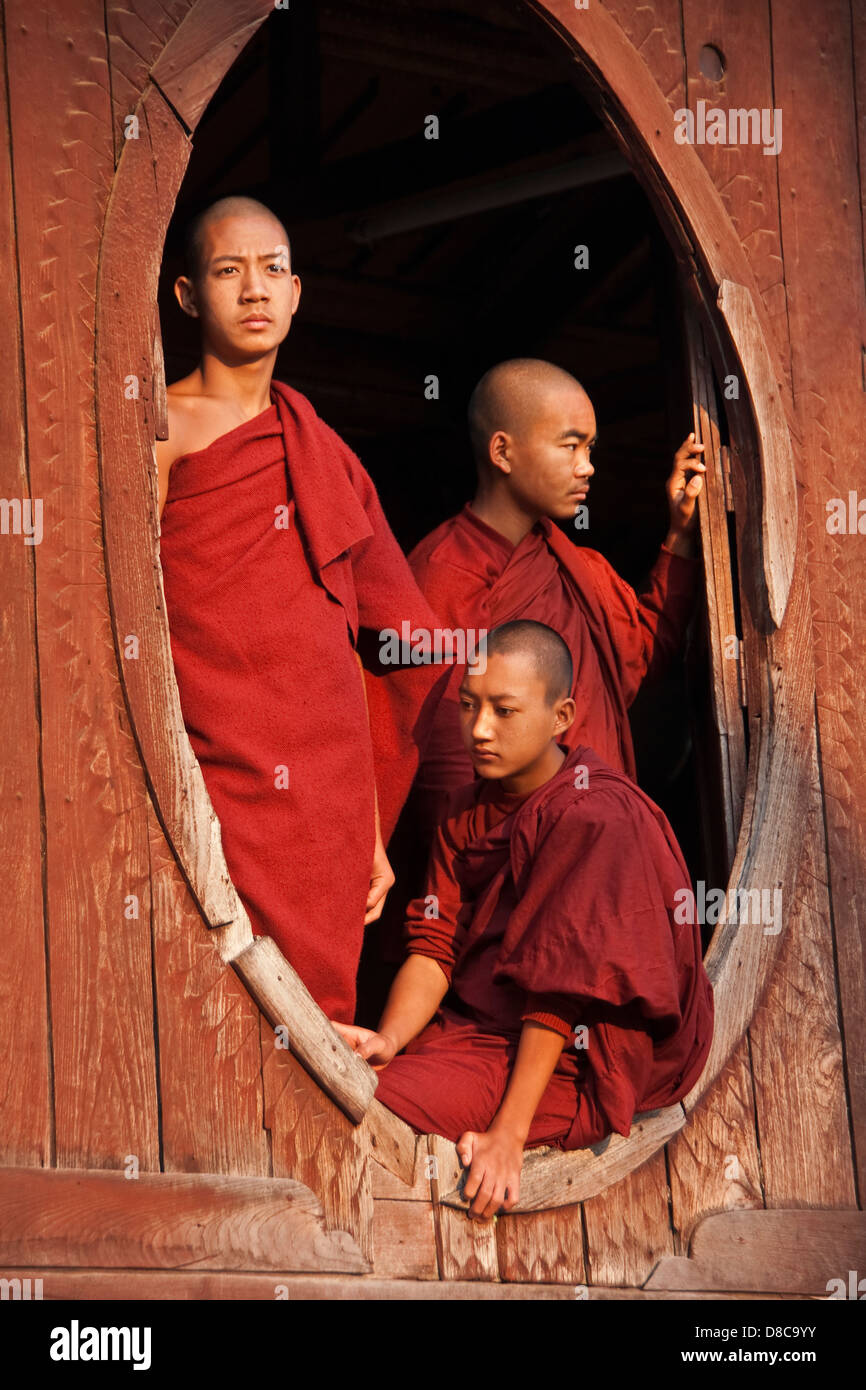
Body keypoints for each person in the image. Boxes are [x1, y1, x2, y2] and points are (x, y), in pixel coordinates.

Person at [156, 195, 450, 1023]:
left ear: (296, 293)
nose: (254, 290)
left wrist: (369, 820)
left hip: (322, 793)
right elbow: (129, 614)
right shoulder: (162, 429)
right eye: (228, 271)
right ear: (186, 296)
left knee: (312, 1037)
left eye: (272, 270)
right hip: (210, 765)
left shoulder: (321, 449)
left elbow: (410, 642)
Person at [333, 621, 714, 1221]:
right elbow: (434, 948)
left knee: (371, 1106)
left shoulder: (597, 814)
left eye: (504, 711)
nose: (479, 730)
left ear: (560, 716)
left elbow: (564, 985)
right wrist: (388, 1039)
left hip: (564, 1057)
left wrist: (508, 1137)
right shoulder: (463, 814)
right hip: (472, 1035)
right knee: (342, 1081)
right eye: (467, 706)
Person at [407, 357, 707, 834]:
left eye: (590, 448)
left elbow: (643, 655)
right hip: (509, 846)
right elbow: (443, 753)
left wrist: (681, 537)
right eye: (570, 446)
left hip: (601, 834)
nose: (586, 467)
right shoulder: (447, 571)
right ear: (502, 452)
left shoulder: (577, 566)